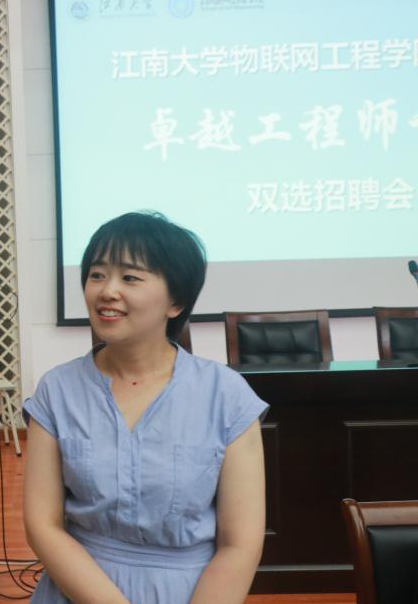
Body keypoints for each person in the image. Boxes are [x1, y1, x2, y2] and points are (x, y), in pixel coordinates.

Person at [23, 211, 267, 603]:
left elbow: (239, 545)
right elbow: (42, 525)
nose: (107, 291)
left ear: (176, 302)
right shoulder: (57, 390)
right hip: (79, 589)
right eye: (97, 274)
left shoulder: (226, 395)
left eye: (130, 277)